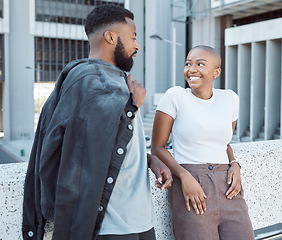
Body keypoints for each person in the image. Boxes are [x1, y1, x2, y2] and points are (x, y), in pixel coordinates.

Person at [22, 4, 172, 240]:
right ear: (111, 37)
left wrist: (150, 160)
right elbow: (80, 153)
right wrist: (132, 108)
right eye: (133, 37)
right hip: (111, 228)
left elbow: (107, 144)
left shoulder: (115, 81)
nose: (137, 45)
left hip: (139, 220)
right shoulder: (91, 80)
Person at [151, 45, 255, 240]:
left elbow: (224, 143)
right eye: (188, 63)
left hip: (228, 186)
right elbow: (157, 147)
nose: (192, 69)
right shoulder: (175, 97)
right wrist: (185, 176)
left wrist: (234, 164)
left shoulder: (230, 99)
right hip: (192, 188)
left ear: (216, 72)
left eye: (200, 64)